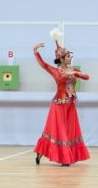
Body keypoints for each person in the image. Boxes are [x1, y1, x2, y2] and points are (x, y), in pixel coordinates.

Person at [33, 28, 90, 166]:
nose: (70, 58)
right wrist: (36, 52)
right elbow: (43, 65)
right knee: (58, 131)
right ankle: (61, 158)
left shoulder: (74, 70)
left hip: (70, 105)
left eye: (70, 55)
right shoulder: (56, 71)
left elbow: (87, 77)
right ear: (61, 59)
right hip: (59, 105)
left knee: (70, 131)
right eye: (68, 56)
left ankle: (58, 155)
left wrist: (75, 74)